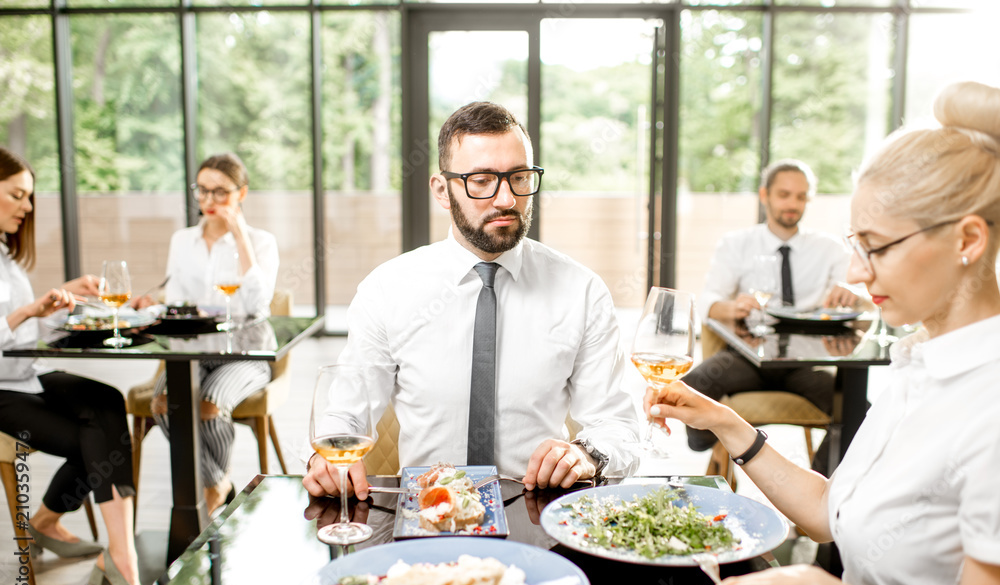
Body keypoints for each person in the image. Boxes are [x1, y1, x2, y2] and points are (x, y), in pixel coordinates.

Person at [645, 81, 1000, 585]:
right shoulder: (916, 366)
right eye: (854, 244)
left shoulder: (987, 407)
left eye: (877, 247)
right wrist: (729, 425)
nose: (857, 274)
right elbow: (831, 513)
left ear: (967, 239)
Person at [303, 101, 639, 500]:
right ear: (442, 191)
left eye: (519, 176)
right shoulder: (387, 289)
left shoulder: (582, 292)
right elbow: (347, 411)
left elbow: (618, 427)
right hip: (424, 519)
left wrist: (586, 455)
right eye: (482, 180)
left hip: (537, 516)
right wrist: (326, 456)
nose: (506, 200)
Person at [0, 147, 143, 585]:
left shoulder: (6, 258)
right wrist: (30, 308)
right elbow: (15, 322)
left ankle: (58, 530)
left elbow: (28, 333)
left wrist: (65, 301)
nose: (27, 207)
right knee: (96, 435)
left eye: (29, 197)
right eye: (17, 195)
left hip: (27, 373)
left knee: (106, 401)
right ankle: (120, 559)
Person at [685, 159, 863, 460]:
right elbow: (707, 302)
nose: (793, 203)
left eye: (801, 196)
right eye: (784, 194)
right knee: (692, 385)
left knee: (857, 412)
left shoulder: (829, 249)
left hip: (803, 364)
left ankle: (820, 481)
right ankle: (709, 442)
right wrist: (730, 307)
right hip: (747, 357)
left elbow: (860, 288)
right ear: (764, 195)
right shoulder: (737, 244)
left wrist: (853, 291)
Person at [133, 153, 279, 514]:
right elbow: (179, 301)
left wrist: (239, 235)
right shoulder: (183, 240)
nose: (209, 201)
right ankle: (218, 484)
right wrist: (155, 303)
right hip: (193, 351)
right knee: (166, 405)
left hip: (247, 353)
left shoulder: (262, 241)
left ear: (241, 193)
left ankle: (208, 497)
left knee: (210, 405)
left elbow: (258, 305)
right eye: (202, 191)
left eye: (220, 192)